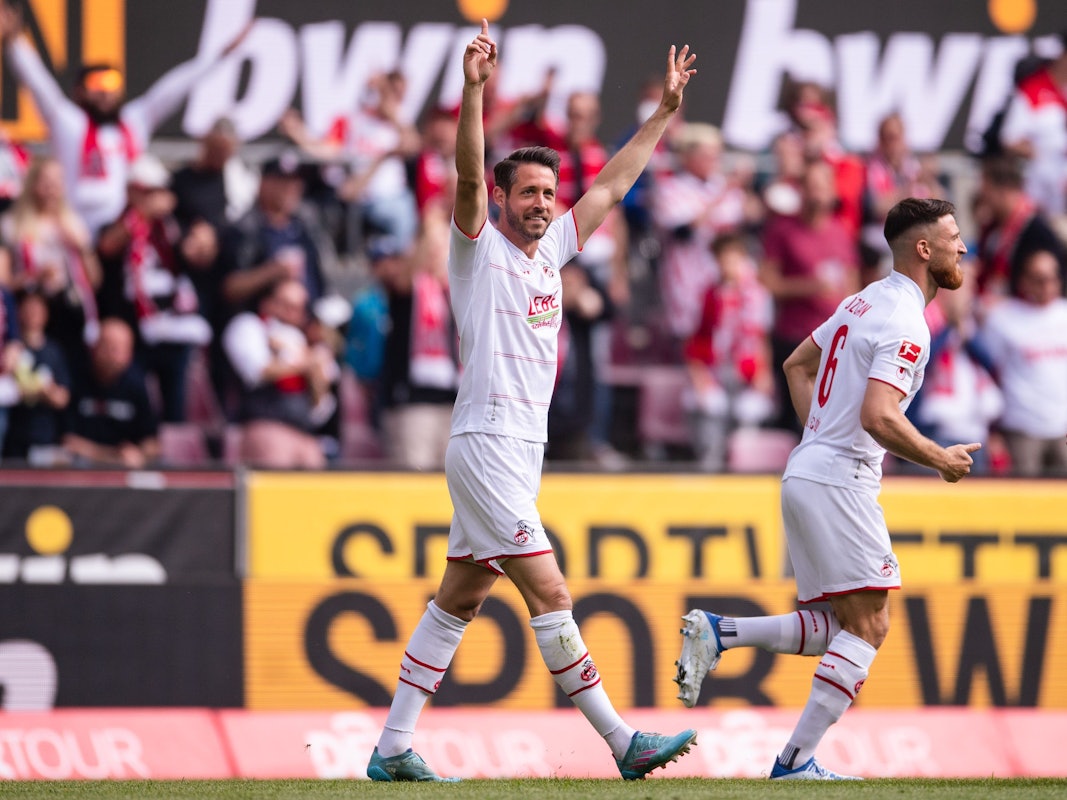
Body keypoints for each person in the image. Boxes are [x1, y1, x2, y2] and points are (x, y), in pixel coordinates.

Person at [366, 21, 698, 783]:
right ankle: (621, 743)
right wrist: (475, 90)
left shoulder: (553, 250)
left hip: (520, 447)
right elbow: (464, 174)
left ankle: (391, 747)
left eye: (550, 192)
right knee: (549, 588)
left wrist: (661, 115)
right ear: (502, 200)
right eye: (530, 193)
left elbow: (613, 184)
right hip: (484, 441)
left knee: (459, 596)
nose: (545, 203)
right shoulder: (475, 250)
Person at [674, 198, 980, 780]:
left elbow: (796, 364)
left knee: (835, 628)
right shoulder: (907, 320)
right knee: (871, 625)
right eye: (954, 238)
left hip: (807, 470)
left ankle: (719, 632)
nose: (962, 247)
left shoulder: (861, 300)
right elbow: (879, 417)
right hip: (841, 477)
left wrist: (816, 432)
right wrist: (940, 458)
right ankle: (794, 762)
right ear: (924, 249)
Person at [0, 3, 248, 238]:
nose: (106, 91)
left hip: (120, 235)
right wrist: (14, 42)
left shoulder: (132, 123)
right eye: (97, 84)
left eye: (113, 83)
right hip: (74, 230)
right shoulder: (70, 124)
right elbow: (40, 85)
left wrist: (217, 57)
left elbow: (173, 89)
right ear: (79, 91)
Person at [221, 278, 333, 469]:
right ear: (267, 302)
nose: (292, 313)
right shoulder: (249, 326)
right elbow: (256, 370)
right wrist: (304, 362)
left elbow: (320, 409)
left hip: (304, 432)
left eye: (299, 307)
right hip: (266, 426)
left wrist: (317, 376)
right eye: (286, 304)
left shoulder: (301, 339)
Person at [978, 248, 1067, 476]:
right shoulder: (1002, 317)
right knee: (1026, 499)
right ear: (1024, 281)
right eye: (1039, 279)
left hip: (1062, 425)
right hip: (1022, 425)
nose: (1046, 285)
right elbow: (988, 370)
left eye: (1052, 277)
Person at [62, 317, 159, 467]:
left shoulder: (137, 385)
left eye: (116, 348)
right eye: (104, 346)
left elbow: (153, 443)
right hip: (80, 470)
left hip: (126, 474)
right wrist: (112, 456)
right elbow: (69, 441)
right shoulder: (76, 380)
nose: (108, 354)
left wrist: (140, 453)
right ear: (94, 348)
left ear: (129, 354)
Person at [3, 289, 71, 464]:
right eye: (27, 309)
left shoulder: (53, 352)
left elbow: (63, 397)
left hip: (43, 438)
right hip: (12, 438)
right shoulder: (8, 350)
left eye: (37, 309)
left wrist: (44, 391)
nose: (32, 314)